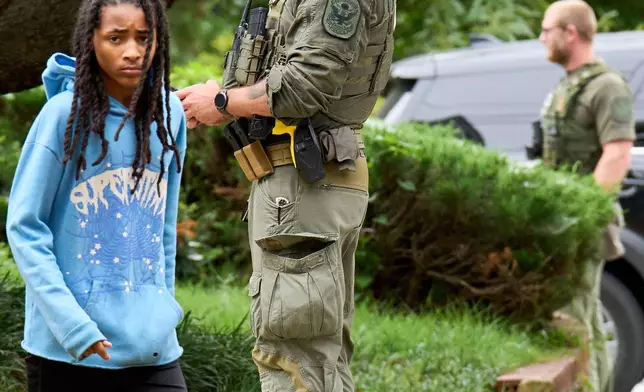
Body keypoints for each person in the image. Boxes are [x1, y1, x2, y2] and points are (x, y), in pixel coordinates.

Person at [177, 0, 396, 390]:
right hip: (309, 184)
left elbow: (303, 87)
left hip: (303, 184)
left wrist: (223, 104)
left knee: (294, 358)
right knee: (320, 358)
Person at [6, 0, 188, 391]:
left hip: (153, 349)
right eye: (116, 38)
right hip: (70, 349)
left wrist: (163, 312)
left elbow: (163, 231)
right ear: (91, 42)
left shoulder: (170, 115)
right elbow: (25, 227)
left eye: (144, 38)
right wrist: (71, 325)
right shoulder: (61, 116)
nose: (133, 51)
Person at [537, 1, 634, 391]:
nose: (542, 38)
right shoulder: (569, 83)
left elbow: (618, 152)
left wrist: (582, 214)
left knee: (570, 320)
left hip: (582, 221)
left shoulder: (607, 86)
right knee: (588, 319)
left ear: (570, 33)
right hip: (564, 216)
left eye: (547, 30)